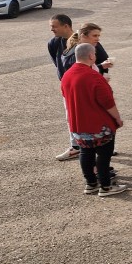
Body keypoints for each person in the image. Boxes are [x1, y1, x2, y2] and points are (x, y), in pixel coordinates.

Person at [61, 43, 127, 197]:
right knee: (104, 154)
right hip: (98, 125)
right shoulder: (94, 76)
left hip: (78, 124)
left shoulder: (67, 75)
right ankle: (106, 186)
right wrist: (117, 118)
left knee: (85, 152)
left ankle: (90, 183)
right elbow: (108, 102)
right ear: (91, 56)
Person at [49, 14, 80, 161]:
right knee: (71, 116)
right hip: (67, 88)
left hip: (85, 86)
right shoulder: (53, 43)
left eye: (54, 27)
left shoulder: (82, 40)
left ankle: (103, 144)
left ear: (66, 26)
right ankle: (75, 146)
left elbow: (100, 58)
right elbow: (58, 64)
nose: (52, 30)